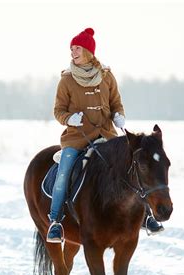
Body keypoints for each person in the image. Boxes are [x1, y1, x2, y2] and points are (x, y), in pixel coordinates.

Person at [47, 27, 163, 243]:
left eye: (77, 48)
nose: (73, 52)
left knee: (134, 166)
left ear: (89, 52)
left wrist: (119, 115)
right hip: (77, 138)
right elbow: (58, 111)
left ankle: (147, 216)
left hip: (107, 135)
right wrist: (69, 119)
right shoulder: (67, 80)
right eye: (71, 49)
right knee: (64, 172)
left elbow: (116, 103)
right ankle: (55, 222)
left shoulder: (107, 76)